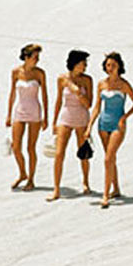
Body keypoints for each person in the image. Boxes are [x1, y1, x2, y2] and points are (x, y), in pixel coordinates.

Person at [89, 52, 133, 208]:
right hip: (103, 124)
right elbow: (97, 107)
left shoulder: (124, 84)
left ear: (119, 67)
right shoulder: (101, 84)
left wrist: (125, 117)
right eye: (108, 65)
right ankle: (116, 189)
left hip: (118, 124)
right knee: (110, 158)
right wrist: (89, 126)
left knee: (108, 158)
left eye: (113, 65)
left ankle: (105, 195)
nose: (109, 68)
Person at [47, 50, 94, 201]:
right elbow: (58, 101)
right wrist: (54, 122)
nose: (85, 66)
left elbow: (89, 105)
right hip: (65, 117)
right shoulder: (62, 79)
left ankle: (86, 183)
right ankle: (56, 188)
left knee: (83, 154)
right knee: (59, 153)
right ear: (75, 63)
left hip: (81, 118)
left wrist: (78, 93)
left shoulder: (87, 80)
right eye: (83, 63)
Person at [5, 43, 49, 191]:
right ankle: (22, 173)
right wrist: (8, 114)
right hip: (20, 110)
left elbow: (45, 96)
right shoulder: (16, 72)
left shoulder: (39, 73)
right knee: (16, 147)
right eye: (35, 57)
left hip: (35, 111)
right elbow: (12, 94)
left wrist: (46, 117)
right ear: (26, 57)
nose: (37, 60)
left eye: (38, 57)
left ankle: (31, 178)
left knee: (31, 147)